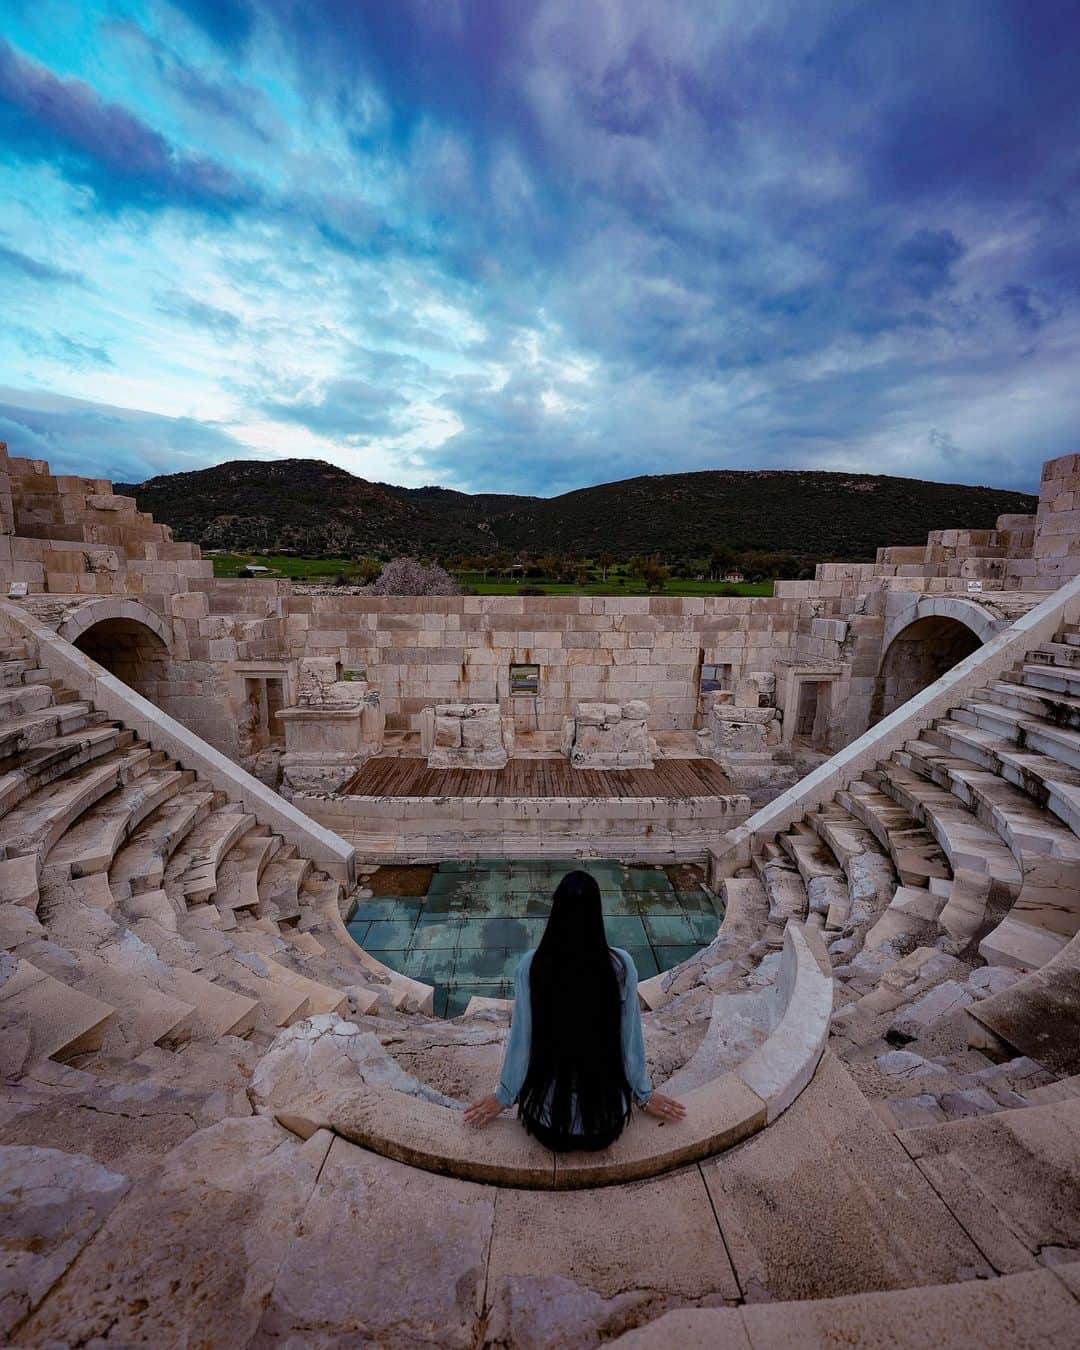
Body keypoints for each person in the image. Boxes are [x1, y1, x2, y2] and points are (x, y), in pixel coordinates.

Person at [464, 869, 687, 1149]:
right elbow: (629, 1039)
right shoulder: (621, 966)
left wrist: (504, 1096)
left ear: (556, 911)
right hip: (606, 1125)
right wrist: (643, 1094)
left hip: (547, 1127)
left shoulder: (532, 967)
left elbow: (522, 1039)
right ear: (596, 913)